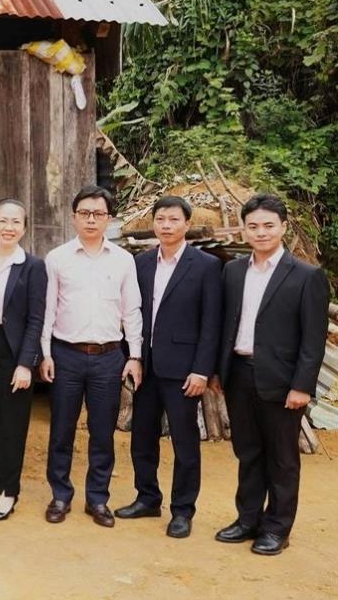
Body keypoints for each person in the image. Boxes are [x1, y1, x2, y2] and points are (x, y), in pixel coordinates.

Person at [213, 194, 330, 556]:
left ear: (283, 227)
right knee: (248, 451)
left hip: (282, 381)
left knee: (281, 458)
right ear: (244, 229)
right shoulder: (233, 271)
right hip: (238, 374)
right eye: (253, 226)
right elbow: (225, 324)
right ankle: (248, 519)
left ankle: (277, 527)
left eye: (268, 225)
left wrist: (302, 386)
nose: (260, 232)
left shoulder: (307, 276)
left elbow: (313, 339)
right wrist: (219, 371)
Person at [116, 195, 222, 538]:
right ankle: (147, 498)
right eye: (160, 219)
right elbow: (132, 313)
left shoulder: (205, 265)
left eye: (174, 219)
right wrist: (132, 357)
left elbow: (211, 323)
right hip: (146, 368)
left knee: (185, 443)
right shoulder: (142, 263)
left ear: (187, 224)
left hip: (184, 370)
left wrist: (202, 370)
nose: (166, 225)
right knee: (142, 438)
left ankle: (182, 510)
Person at [40, 185, 143, 528]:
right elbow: (48, 310)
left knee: (102, 432)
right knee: (61, 429)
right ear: (73, 217)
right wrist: (45, 353)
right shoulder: (58, 258)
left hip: (108, 357)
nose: (91, 219)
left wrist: (135, 355)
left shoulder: (123, 260)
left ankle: (97, 498)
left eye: (98, 214)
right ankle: (60, 495)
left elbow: (132, 311)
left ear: (108, 219)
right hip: (65, 354)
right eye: (84, 213)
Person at [0, 199, 47, 522]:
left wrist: (26, 363)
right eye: (3, 221)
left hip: (13, 352)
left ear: (24, 228)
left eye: (16, 222)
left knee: (11, 425)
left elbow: (36, 318)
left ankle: (9, 491)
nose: (9, 227)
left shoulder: (32, 266)